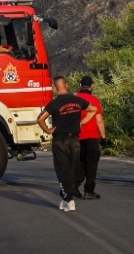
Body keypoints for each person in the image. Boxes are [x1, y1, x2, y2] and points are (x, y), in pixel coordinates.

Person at [38, 76, 97, 212]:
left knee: (62, 170)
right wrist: (82, 122)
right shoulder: (77, 100)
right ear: (67, 85)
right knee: (72, 170)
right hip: (75, 140)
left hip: (60, 141)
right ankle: (66, 199)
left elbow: (40, 119)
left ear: (54, 87)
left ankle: (68, 198)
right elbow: (93, 110)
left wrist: (48, 130)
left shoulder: (54, 103)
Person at [74, 75, 105, 200]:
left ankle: (75, 186)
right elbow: (99, 120)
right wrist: (103, 137)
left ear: (80, 86)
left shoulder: (74, 100)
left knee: (80, 162)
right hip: (92, 136)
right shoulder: (94, 100)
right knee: (92, 163)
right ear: (92, 86)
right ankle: (89, 190)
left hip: (77, 136)